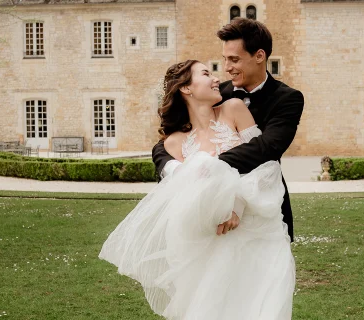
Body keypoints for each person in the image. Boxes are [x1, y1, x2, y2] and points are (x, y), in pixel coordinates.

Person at [99, 60, 295, 319]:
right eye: (206, 73)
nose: (216, 78)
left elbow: (266, 166)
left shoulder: (234, 109)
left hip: (258, 234)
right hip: (210, 244)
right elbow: (183, 198)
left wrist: (236, 204)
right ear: (186, 89)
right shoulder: (173, 144)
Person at [152, 17, 304, 240]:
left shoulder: (288, 98)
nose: (226, 68)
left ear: (259, 56)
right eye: (225, 59)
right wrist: (176, 169)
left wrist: (209, 165)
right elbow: (167, 143)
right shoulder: (215, 92)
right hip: (211, 215)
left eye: (234, 60)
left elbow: (268, 147)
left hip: (262, 206)